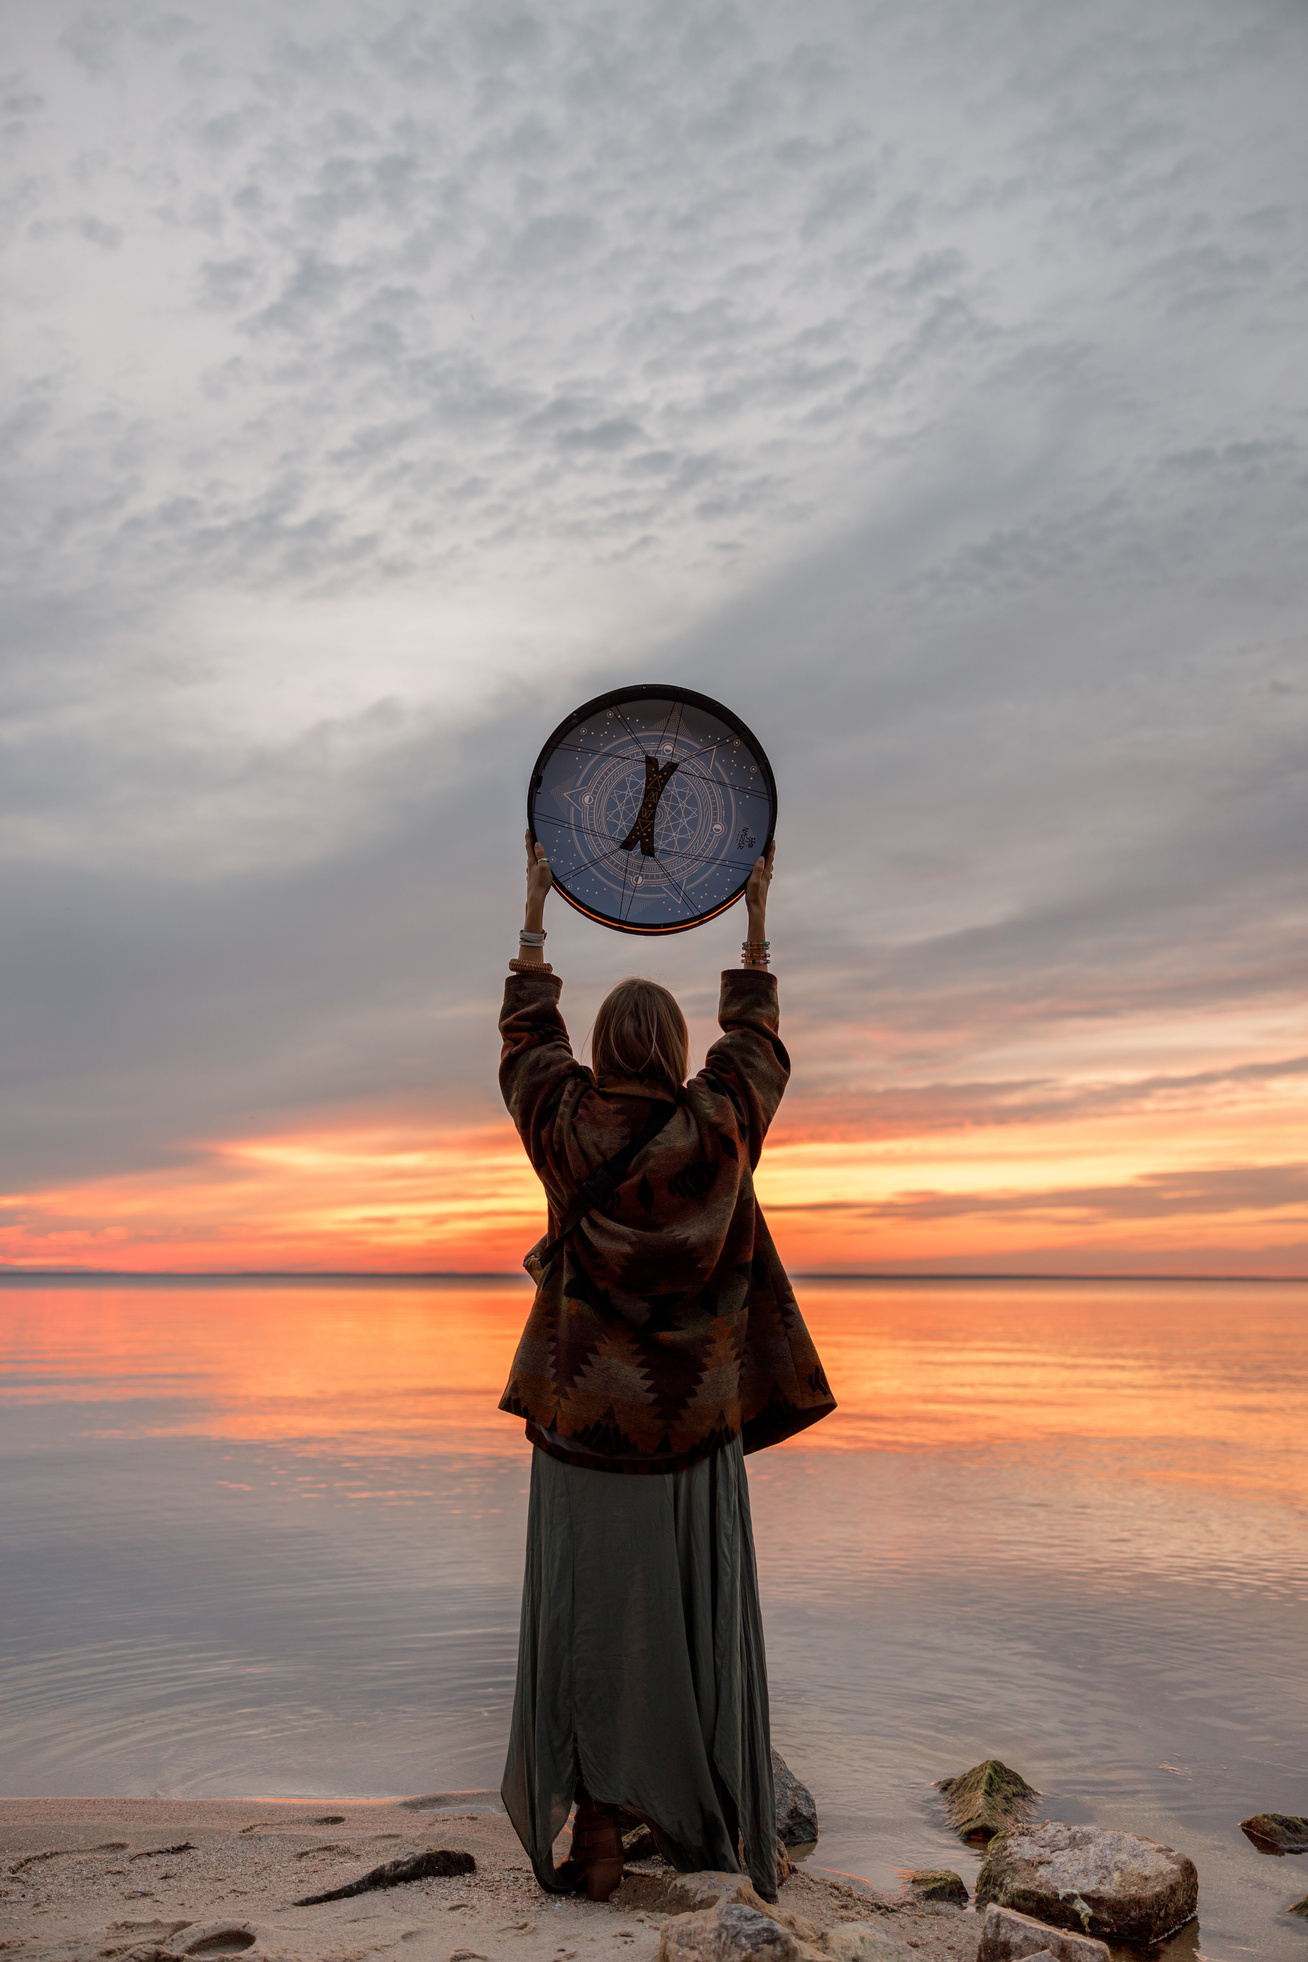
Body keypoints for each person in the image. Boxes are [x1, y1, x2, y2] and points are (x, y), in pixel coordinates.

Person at [497, 829, 835, 1904]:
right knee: (691, 1632)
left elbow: (521, 1038)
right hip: (689, 1438)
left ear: (601, 1047)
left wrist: (537, 913)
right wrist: (754, 921)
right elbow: (757, 1044)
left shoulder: (563, 1124)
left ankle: (596, 1838)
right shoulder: (718, 1130)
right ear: (676, 1045)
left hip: (578, 1438)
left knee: (589, 1628)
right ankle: (708, 1818)